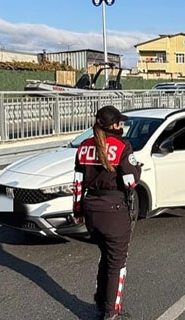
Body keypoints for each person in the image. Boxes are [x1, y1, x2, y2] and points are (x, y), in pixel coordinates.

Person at [73, 106, 141, 320]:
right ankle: (111, 312)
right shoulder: (122, 147)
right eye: (120, 123)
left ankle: (101, 302)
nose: (121, 126)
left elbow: (77, 183)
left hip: (90, 210)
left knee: (106, 257)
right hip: (114, 211)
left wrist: (77, 211)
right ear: (114, 125)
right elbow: (131, 183)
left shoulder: (83, 147)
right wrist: (137, 168)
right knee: (117, 263)